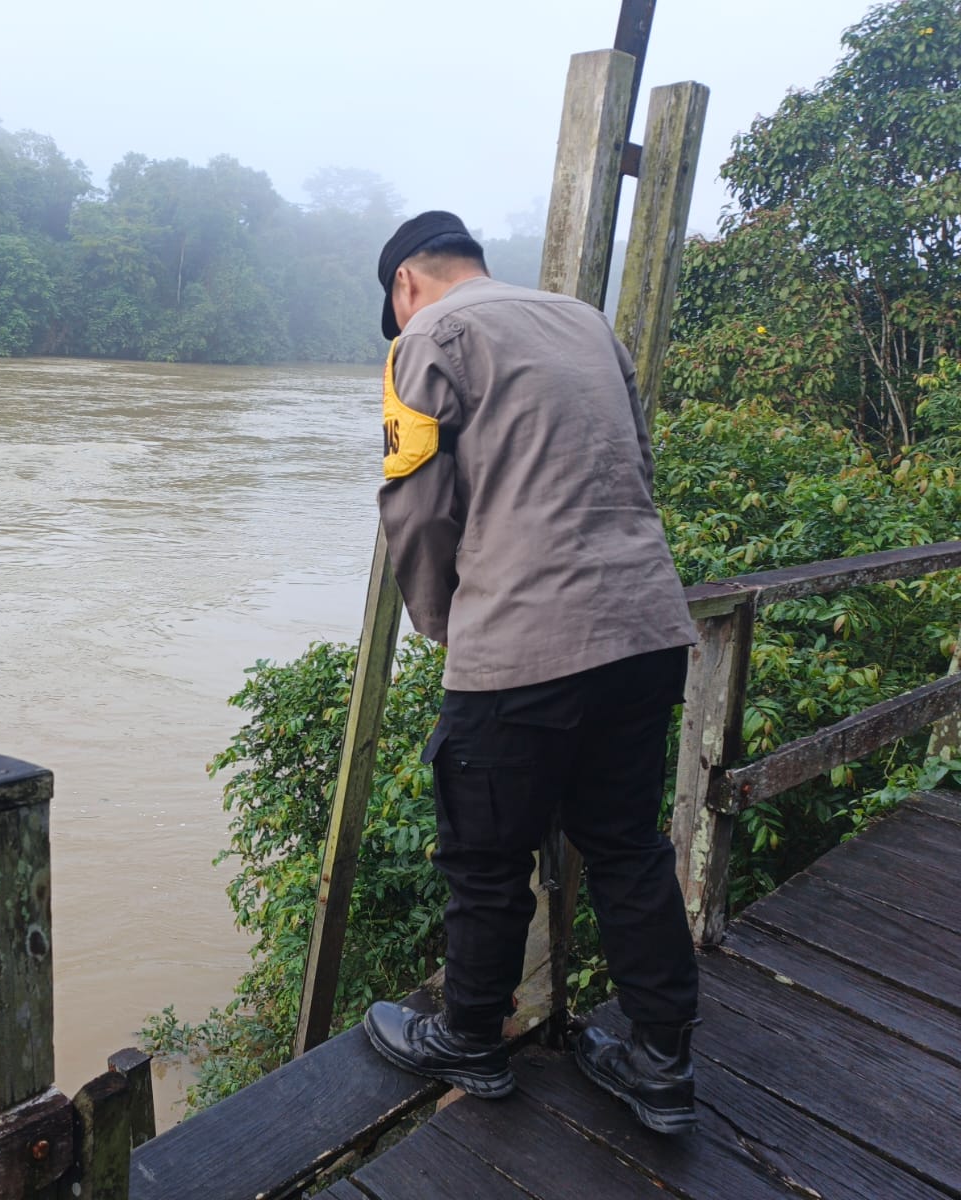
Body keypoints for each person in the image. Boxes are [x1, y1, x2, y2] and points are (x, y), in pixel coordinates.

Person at [359, 211, 702, 1135]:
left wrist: (448, 628)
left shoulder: (429, 337)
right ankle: (662, 1066)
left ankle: (471, 1037)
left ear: (405, 285)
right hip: (644, 629)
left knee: (485, 857)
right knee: (627, 846)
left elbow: (416, 507)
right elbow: (636, 464)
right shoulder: (584, 320)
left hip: (523, 645)